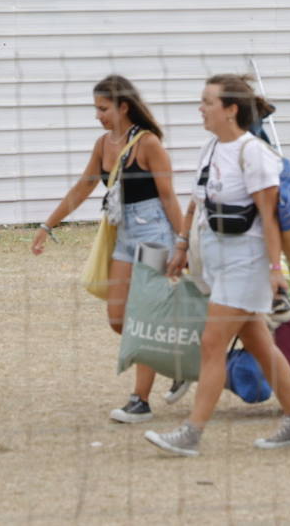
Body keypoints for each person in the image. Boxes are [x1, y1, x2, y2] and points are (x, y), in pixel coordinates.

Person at [145, 74, 290, 456]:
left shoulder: (253, 153)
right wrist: (181, 245)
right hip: (217, 260)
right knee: (258, 342)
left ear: (230, 110)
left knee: (211, 343)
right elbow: (195, 202)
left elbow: (269, 217)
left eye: (207, 102)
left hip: (247, 262)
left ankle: (191, 432)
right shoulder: (210, 148)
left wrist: (275, 271)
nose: (200, 109)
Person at [31, 75, 190, 423]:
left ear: (123, 107)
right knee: (119, 318)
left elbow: (169, 198)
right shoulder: (104, 144)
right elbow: (83, 187)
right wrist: (47, 225)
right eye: (96, 109)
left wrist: (183, 243)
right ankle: (177, 361)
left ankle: (140, 400)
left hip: (155, 236)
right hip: (123, 235)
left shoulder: (149, 144)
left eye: (103, 109)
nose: (98, 116)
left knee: (143, 318)